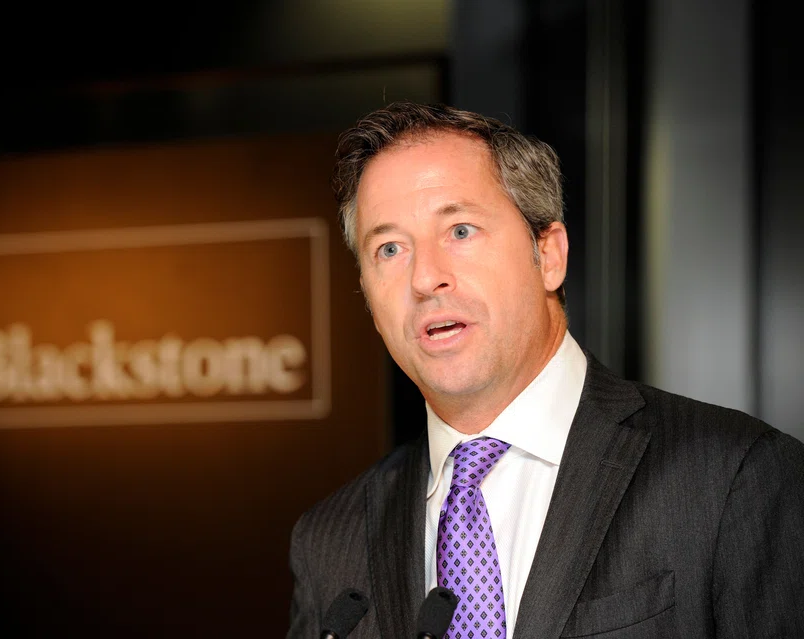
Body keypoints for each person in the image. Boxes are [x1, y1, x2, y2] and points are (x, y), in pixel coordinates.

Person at [286, 102, 804, 639]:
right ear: (368, 298)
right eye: (390, 248)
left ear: (549, 255)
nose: (425, 278)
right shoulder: (330, 540)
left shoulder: (733, 477)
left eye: (460, 231)